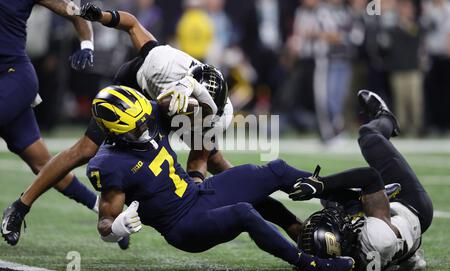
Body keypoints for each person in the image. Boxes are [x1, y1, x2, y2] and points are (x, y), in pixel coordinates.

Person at [2, 3, 303, 247]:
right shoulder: (162, 64)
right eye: (200, 113)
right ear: (188, 95)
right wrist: (100, 16)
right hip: (131, 99)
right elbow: (131, 24)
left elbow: (199, 157)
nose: (203, 120)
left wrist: (198, 189)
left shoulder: (214, 110)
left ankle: (294, 227)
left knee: (226, 172)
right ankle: (22, 205)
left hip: (167, 107)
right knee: (85, 150)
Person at [87, 85, 355, 271]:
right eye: (136, 130)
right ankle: (309, 264)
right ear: (114, 133)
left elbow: (205, 114)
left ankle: (347, 199)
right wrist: (117, 228)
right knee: (244, 213)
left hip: (198, 193)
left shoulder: (150, 113)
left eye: (146, 120)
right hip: (183, 225)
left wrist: (190, 94)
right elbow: (105, 224)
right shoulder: (109, 165)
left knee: (275, 170)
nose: (146, 130)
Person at [0, 0, 112, 246]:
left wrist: (86, 44)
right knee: (44, 164)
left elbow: (74, 10)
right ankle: (104, 211)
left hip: (13, 77)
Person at [291, 90, 433, 271]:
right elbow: (370, 177)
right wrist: (322, 184)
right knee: (369, 136)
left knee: (330, 201)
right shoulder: (376, 238)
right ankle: (386, 117)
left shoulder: (347, 261)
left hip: (390, 235)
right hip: (412, 207)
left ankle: (407, 254)